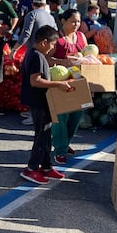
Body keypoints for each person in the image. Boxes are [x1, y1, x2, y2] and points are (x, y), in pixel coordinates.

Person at [20, 25, 73, 184]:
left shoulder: (36, 54)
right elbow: (35, 81)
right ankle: (31, 169)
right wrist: (58, 84)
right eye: (52, 44)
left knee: (46, 135)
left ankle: (46, 166)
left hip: (43, 102)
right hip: (38, 102)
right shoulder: (36, 56)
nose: (53, 47)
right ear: (44, 42)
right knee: (41, 136)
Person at [47, 9, 88, 164]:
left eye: (78, 21)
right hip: (60, 83)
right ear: (63, 21)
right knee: (60, 118)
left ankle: (66, 143)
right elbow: (46, 58)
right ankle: (59, 149)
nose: (76, 24)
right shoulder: (56, 38)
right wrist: (64, 62)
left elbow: (87, 54)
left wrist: (83, 58)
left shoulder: (81, 36)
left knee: (76, 116)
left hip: (78, 82)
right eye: (73, 21)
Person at [10, 0, 57, 125]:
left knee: (31, 83)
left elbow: (26, 34)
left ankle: (33, 114)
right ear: (45, 4)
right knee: (41, 82)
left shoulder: (31, 15)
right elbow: (55, 36)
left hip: (33, 52)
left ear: (32, 4)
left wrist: (14, 49)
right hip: (45, 53)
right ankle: (33, 111)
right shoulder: (50, 17)